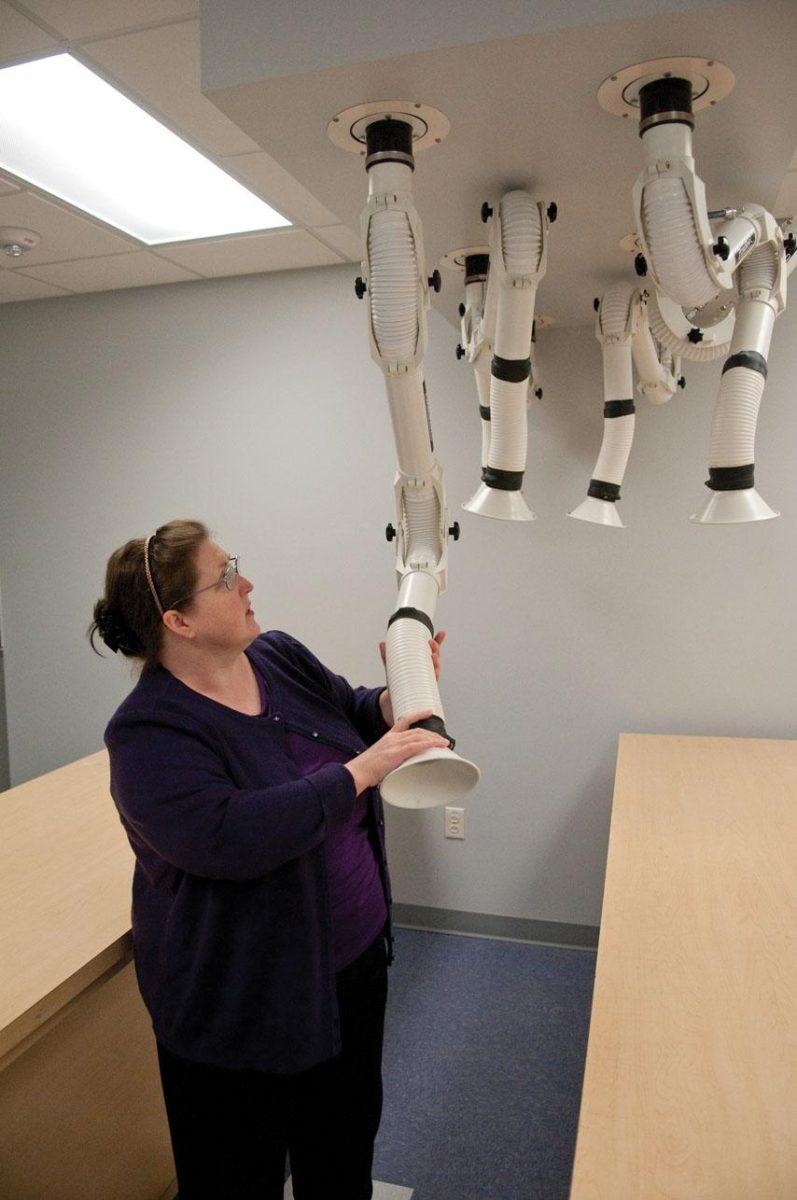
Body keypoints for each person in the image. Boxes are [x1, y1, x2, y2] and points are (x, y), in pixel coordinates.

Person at [88, 518, 448, 1200]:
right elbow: (226, 837)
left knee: (340, 1150)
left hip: (349, 966)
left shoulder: (277, 656)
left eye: (236, 565)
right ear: (178, 621)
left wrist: (393, 697)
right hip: (244, 997)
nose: (246, 583)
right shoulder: (148, 732)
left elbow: (346, 708)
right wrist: (360, 772)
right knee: (235, 1174)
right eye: (223, 578)